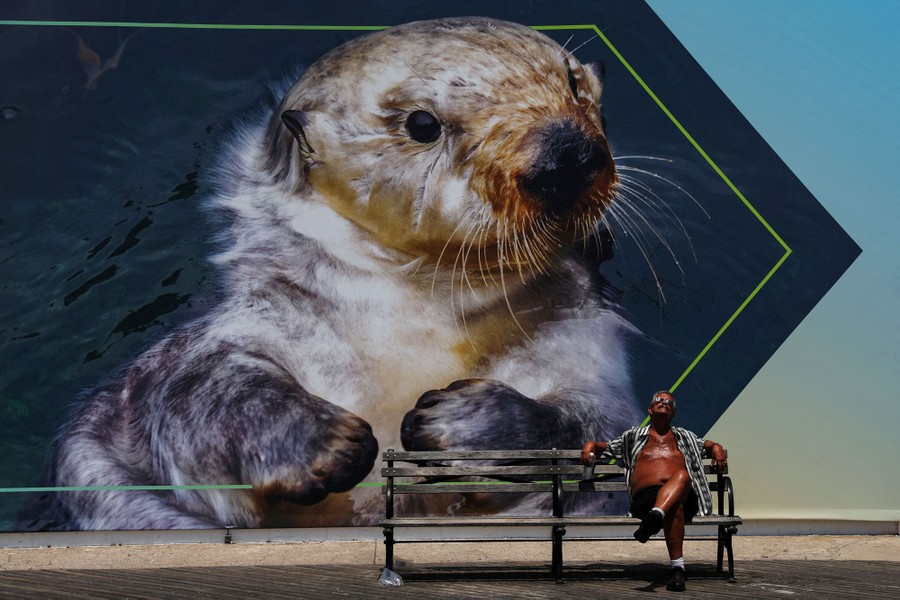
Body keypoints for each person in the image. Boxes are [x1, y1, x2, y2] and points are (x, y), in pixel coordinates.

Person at [581, 390, 727, 592]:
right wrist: (589, 445)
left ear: (673, 413)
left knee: (683, 477)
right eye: (660, 400)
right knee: (674, 507)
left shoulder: (684, 437)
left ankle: (656, 518)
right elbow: (603, 447)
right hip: (646, 499)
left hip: (685, 496)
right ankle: (677, 570)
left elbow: (706, 445)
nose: (665, 403)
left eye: (670, 403)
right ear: (650, 409)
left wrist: (717, 447)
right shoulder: (633, 436)